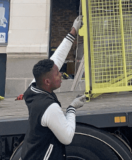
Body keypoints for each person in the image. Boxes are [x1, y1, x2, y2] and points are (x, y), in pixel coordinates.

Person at [20, 15, 86, 160]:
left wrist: (73, 31)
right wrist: (71, 109)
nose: (61, 75)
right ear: (48, 82)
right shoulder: (49, 107)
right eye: (57, 74)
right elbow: (67, 137)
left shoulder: (33, 88)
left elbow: (57, 58)